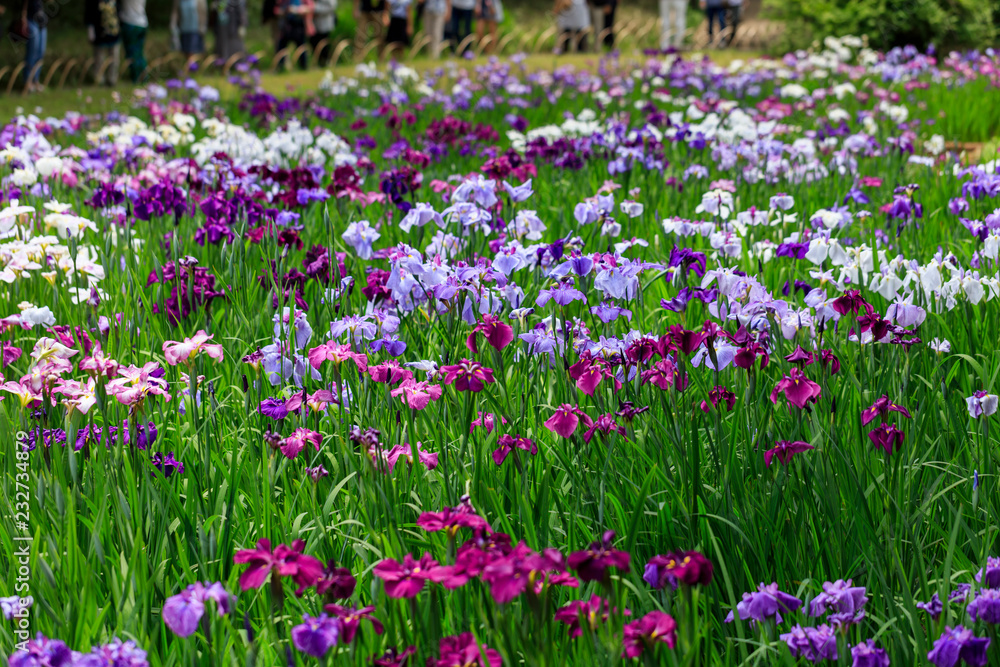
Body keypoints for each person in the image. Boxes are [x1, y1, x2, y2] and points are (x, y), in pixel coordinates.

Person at [85, 0, 121, 85]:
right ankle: (99, 79)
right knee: (99, 57)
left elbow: (119, 10)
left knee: (114, 57)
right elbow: (89, 12)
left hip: (113, 32)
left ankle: (112, 79)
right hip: (99, 32)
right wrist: (90, 29)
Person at [277, 0, 315, 68]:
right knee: (282, 45)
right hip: (287, 25)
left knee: (301, 46)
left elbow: (310, 7)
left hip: (298, 24)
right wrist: (285, 11)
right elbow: (277, 9)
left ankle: (303, 66)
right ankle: (281, 66)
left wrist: (297, 10)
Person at [21, 0, 46, 92]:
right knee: (32, 51)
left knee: (41, 51)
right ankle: (28, 81)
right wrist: (23, 17)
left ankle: (36, 80)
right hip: (31, 20)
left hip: (41, 22)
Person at [119, 0, 147, 82]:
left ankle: (136, 78)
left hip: (130, 22)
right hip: (143, 22)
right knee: (139, 53)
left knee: (132, 54)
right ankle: (143, 77)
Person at [311, 0, 335, 65]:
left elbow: (331, 6)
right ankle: (319, 63)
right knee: (314, 44)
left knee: (325, 45)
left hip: (325, 24)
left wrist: (315, 8)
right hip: (314, 25)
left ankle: (327, 62)